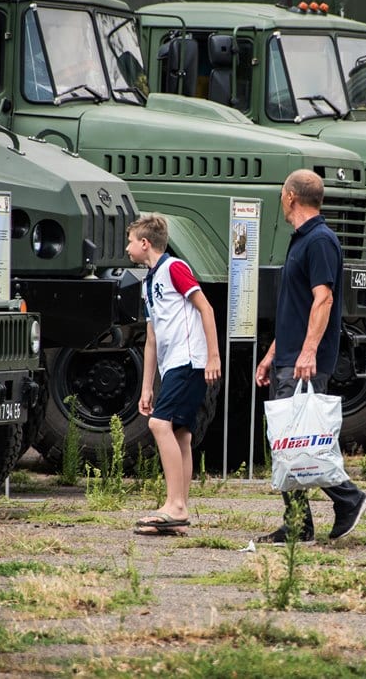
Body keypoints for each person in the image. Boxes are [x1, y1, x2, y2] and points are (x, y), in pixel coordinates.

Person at [255, 169, 366, 545]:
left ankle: (348, 498)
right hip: (289, 355)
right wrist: (272, 354)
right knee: (288, 440)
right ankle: (299, 524)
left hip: (305, 359)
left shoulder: (320, 240)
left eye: (281, 194)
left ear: (290, 196)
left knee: (300, 441)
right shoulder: (302, 240)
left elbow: (324, 299)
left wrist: (307, 353)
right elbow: (297, 308)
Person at [126, 213, 221, 536]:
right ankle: (179, 512)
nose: (127, 248)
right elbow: (151, 339)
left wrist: (213, 357)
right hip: (172, 366)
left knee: (158, 424)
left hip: (189, 360)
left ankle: (175, 506)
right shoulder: (148, 281)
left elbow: (205, 308)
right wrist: (147, 387)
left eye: (130, 241)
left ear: (144, 243)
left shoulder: (174, 268)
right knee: (180, 433)